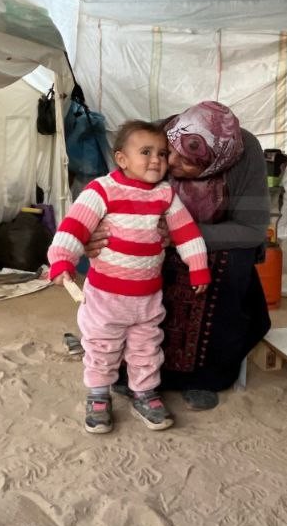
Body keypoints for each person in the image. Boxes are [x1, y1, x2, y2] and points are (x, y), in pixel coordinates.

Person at [87, 102, 272, 410]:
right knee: (121, 261)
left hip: (212, 240)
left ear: (216, 163)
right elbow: (114, 191)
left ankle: (204, 376)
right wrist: (93, 233)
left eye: (187, 163)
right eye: (167, 151)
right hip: (150, 233)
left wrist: (183, 236)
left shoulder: (243, 152)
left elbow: (252, 230)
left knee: (230, 265)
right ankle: (127, 367)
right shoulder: (154, 134)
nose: (168, 162)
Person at [48, 120, 210, 435]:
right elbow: (75, 226)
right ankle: (98, 395)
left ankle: (144, 393)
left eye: (162, 153)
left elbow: (186, 231)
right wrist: (62, 259)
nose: (156, 160)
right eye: (145, 152)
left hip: (148, 296)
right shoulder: (102, 190)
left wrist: (198, 265)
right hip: (105, 296)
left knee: (147, 347)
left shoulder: (165, 195)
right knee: (102, 346)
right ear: (122, 159)